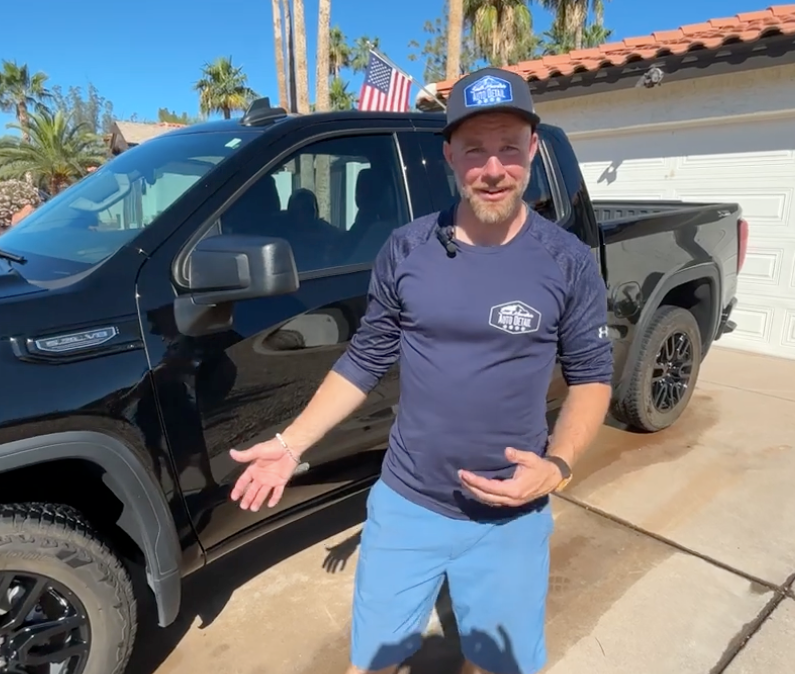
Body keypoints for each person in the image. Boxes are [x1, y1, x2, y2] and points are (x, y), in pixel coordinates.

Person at [229, 66, 614, 674]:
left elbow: (591, 377)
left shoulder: (566, 261)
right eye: (475, 149)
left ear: (534, 149)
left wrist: (558, 467)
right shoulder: (407, 248)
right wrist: (290, 443)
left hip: (510, 515)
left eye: (510, 147)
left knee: (498, 665)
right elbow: (366, 357)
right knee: (371, 664)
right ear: (449, 155)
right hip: (407, 504)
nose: (494, 168)